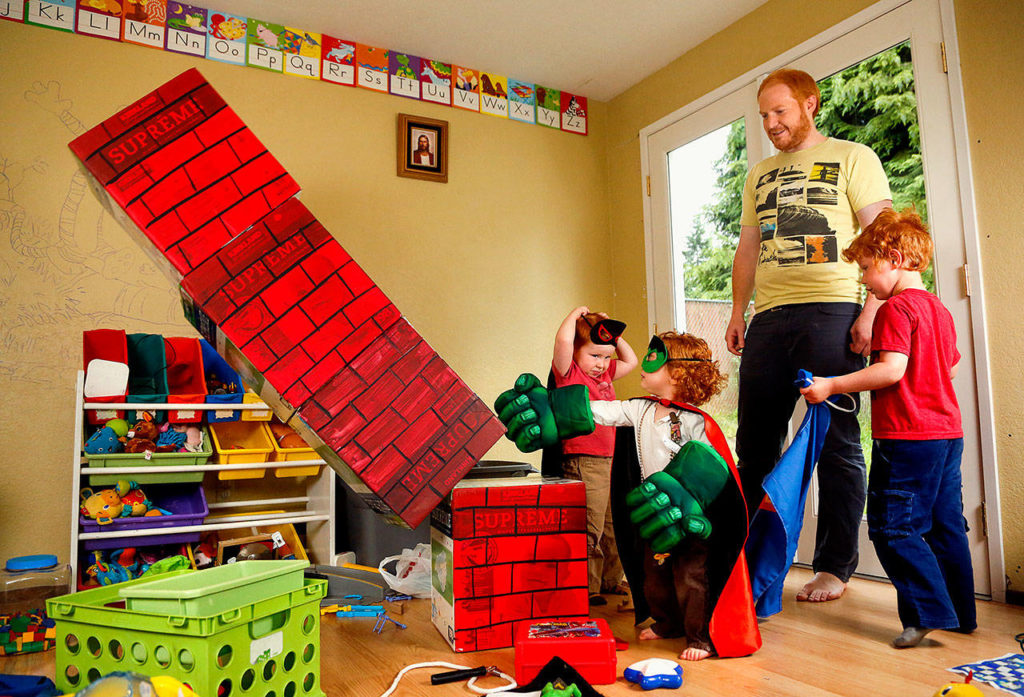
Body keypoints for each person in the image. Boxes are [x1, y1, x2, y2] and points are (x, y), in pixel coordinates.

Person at [725, 68, 893, 603]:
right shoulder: (758, 175)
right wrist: (736, 310)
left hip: (834, 309)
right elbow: (749, 248)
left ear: (809, 104)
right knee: (753, 445)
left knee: (836, 442)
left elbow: (883, 236)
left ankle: (834, 567)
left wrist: (872, 310)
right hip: (771, 316)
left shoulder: (853, 157)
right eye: (764, 115)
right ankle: (748, 558)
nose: (771, 124)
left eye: (780, 111)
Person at [495, 332, 760, 661]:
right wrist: (554, 409)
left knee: (692, 577)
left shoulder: (696, 422)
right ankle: (667, 623)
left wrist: (693, 492)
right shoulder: (639, 409)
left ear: (678, 372)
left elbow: (714, 466)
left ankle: (701, 636)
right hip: (655, 513)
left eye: (654, 358)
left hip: (688, 519)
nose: (642, 365)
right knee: (655, 576)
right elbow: (600, 412)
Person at [799, 208, 975, 648]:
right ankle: (961, 613)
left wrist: (833, 384)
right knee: (944, 523)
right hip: (946, 434)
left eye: (865, 269)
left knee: (892, 527)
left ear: (894, 259)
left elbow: (892, 370)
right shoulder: (938, 310)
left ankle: (927, 613)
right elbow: (948, 371)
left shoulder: (895, 309)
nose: (863, 281)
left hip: (907, 436)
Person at [549, 306, 638, 605]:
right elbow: (562, 343)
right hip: (585, 459)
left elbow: (632, 360)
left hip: (610, 459)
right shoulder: (568, 373)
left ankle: (612, 580)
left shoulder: (607, 375)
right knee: (591, 525)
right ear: (576, 353)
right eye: (594, 356)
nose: (601, 364)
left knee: (614, 525)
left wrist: (612, 334)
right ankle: (588, 587)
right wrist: (573, 317)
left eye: (605, 357)